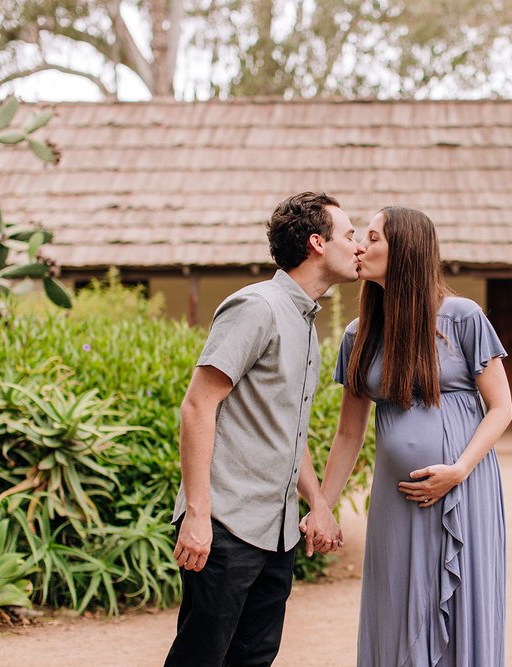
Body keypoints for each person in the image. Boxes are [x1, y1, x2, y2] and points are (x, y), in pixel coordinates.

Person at [306, 206, 512, 666]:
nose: (360, 246)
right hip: (396, 502)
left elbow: (502, 408)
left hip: (465, 491)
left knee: (462, 610)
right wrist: (323, 505)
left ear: (406, 249)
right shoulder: (358, 334)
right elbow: (348, 433)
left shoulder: (462, 318)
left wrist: (458, 470)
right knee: (396, 610)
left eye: (374, 237)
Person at [165, 192, 361, 666]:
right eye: (350, 234)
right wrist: (197, 514)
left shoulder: (306, 324)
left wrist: (319, 504)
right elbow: (197, 406)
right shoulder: (257, 307)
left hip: (277, 535)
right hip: (226, 526)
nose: (358, 246)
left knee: (254, 658)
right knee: (201, 658)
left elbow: (287, 434)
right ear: (317, 242)